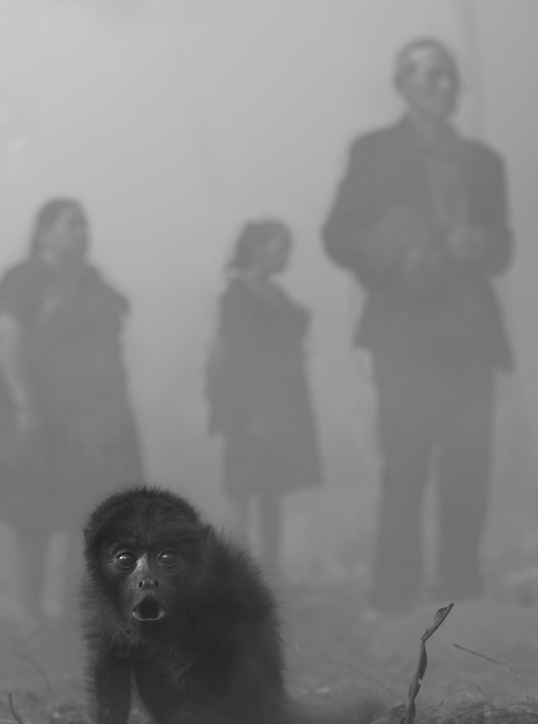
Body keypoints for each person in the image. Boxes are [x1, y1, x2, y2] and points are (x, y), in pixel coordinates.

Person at [322, 39, 513, 613]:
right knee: (405, 465)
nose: (442, 86)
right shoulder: (374, 152)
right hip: (404, 331)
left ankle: (460, 588)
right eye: (428, 76)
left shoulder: (485, 162)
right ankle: (394, 593)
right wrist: (397, 254)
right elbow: (338, 233)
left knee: (469, 464)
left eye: (449, 76)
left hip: (469, 331)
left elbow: (503, 244)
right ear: (402, 86)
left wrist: (482, 243)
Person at [0, 198, 143, 625]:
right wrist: (26, 405)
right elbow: (7, 335)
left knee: (86, 510)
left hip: (92, 415)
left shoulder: (90, 280)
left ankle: (70, 613)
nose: (82, 232)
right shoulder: (27, 278)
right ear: (44, 232)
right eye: (70, 224)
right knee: (36, 511)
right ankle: (30, 612)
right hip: (41, 412)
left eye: (84, 224)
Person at [206, 220, 321, 574]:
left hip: (279, 403)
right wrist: (250, 412)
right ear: (257, 249)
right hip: (250, 407)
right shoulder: (239, 295)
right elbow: (236, 356)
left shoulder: (273, 293)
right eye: (280, 246)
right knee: (242, 489)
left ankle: (270, 572)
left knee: (271, 487)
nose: (286, 255)